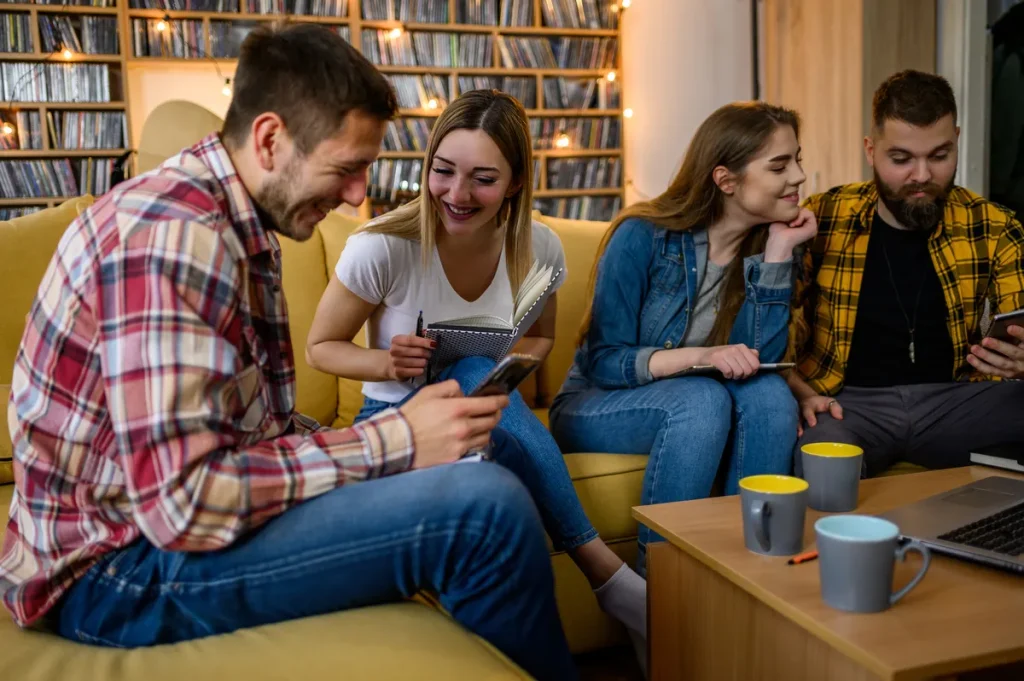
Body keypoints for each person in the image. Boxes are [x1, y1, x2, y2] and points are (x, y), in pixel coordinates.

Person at [0, 24, 579, 681]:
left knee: (469, 476)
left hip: (149, 537)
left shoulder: (232, 219)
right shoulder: (172, 243)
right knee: (484, 511)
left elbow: (244, 438)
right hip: (116, 573)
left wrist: (385, 444)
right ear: (271, 139)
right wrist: (393, 439)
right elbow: (184, 505)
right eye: (347, 167)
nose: (361, 195)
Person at [305, 89, 648, 666]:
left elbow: (539, 338)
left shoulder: (538, 248)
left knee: (473, 372)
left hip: (486, 412)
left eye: (483, 179)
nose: (457, 195)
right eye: (443, 171)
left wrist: (504, 374)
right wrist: (388, 362)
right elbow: (321, 348)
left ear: (515, 183)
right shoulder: (382, 247)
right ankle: (613, 582)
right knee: (467, 371)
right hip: (394, 418)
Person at [548, 101, 817, 574]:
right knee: (700, 399)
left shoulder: (768, 245)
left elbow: (762, 362)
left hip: (696, 398)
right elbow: (604, 361)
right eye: (780, 165)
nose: (798, 176)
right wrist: (702, 356)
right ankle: (660, 596)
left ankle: (754, 578)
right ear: (726, 180)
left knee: (772, 396)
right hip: (596, 404)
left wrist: (777, 254)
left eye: (797, 159)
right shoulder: (642, 235)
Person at [790, 69, 1024, 476]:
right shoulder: (823, 216)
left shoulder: (994, 225)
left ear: (957, 141)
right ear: (870, 150)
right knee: (824, 465)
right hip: (847, 404)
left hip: (954, 401)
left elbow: (1017, 324)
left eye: (939, 155)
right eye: (901, 159)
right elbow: (779, 331)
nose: (921, 176)